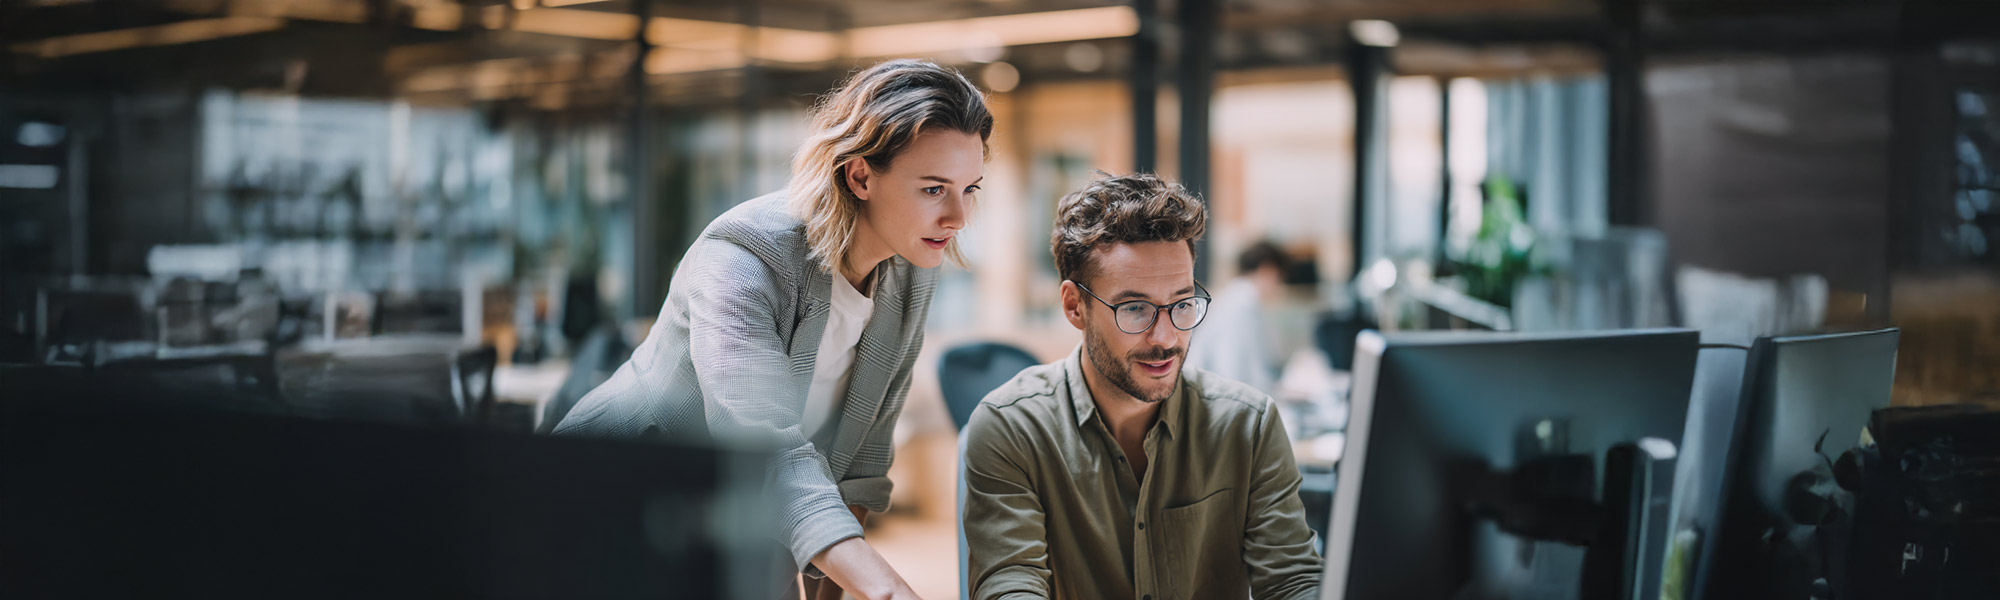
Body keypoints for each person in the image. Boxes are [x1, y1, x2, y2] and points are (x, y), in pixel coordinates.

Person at [555, 59, 992, 600]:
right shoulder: (743, 256)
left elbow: (861, 460)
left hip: (733, 517)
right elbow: (763, 440)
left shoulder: (911, 270)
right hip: (606, 500)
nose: (958, 217)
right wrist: (887, 590)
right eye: (933, 189)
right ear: (860, 176)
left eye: (969, 188)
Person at [960, 173, 1322, 600]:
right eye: (1135, 309)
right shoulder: (1012, 428)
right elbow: (1009, 584)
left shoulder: (1249, 425)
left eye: (1182, 304)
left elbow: (1292, 581)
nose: (1166, 338)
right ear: (1075, 307)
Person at [1184, 240, 1291, 394]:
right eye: (1279, 278)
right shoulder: (1242, 303)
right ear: (1268, 270)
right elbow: (1232, 367)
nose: (1278, 286)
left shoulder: (1238, 297)